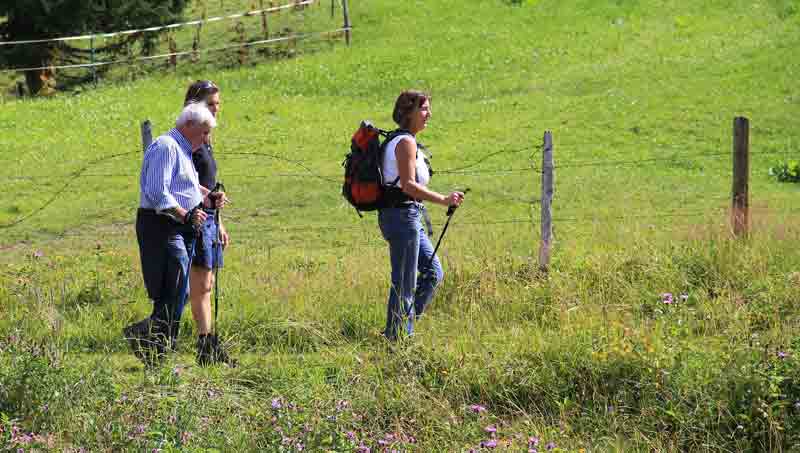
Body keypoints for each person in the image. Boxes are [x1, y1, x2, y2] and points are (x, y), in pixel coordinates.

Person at [123, 101, 225, 366]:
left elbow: (184, 187)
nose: (206, 139)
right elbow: (158, 192)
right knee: (172, 286)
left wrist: (208, 199)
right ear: (188, 125)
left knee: (177, 291)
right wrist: (185, 214)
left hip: (179, 226)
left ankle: (156, 354)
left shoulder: (182, 149)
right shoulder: (166, 147)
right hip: (162, 226)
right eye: (203, 132)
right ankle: (149, 345)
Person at [378, 90, 464, 341]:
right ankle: (398, 340)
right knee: (404, 283)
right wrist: (443, 199)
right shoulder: (404, 142)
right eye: (424, 108)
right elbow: (408, 185)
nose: (429, 114)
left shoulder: (406, 140)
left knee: (433, 273)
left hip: (407, 216)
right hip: (401, 217)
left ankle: (399, 331)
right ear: (409, 112)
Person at [183, 80, 234, 366]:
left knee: (207, 283)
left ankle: (208, 342)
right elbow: (186, 185)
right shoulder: (189, 143)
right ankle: (205, 346)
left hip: (211, 218)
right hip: (197, 218)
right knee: (200, 285)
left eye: (218, 104)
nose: (216, 110)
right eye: (211, 104)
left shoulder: (205, 139)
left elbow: (210, 185)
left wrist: (220, 222)